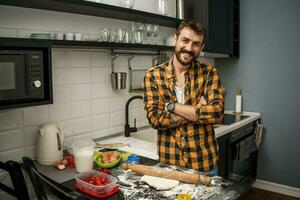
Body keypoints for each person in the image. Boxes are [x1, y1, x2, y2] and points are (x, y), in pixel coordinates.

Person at [142, 19, 225, 176]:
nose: (189, 48)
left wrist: (172, 106)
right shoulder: (153, 76)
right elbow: (155, 119)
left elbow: (216, 113)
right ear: (175, 39)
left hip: (204, 166)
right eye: (185, 40)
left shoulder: (209, 73)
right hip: (170, 167)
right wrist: (197, 111)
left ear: (202, 47)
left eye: (196, 44)